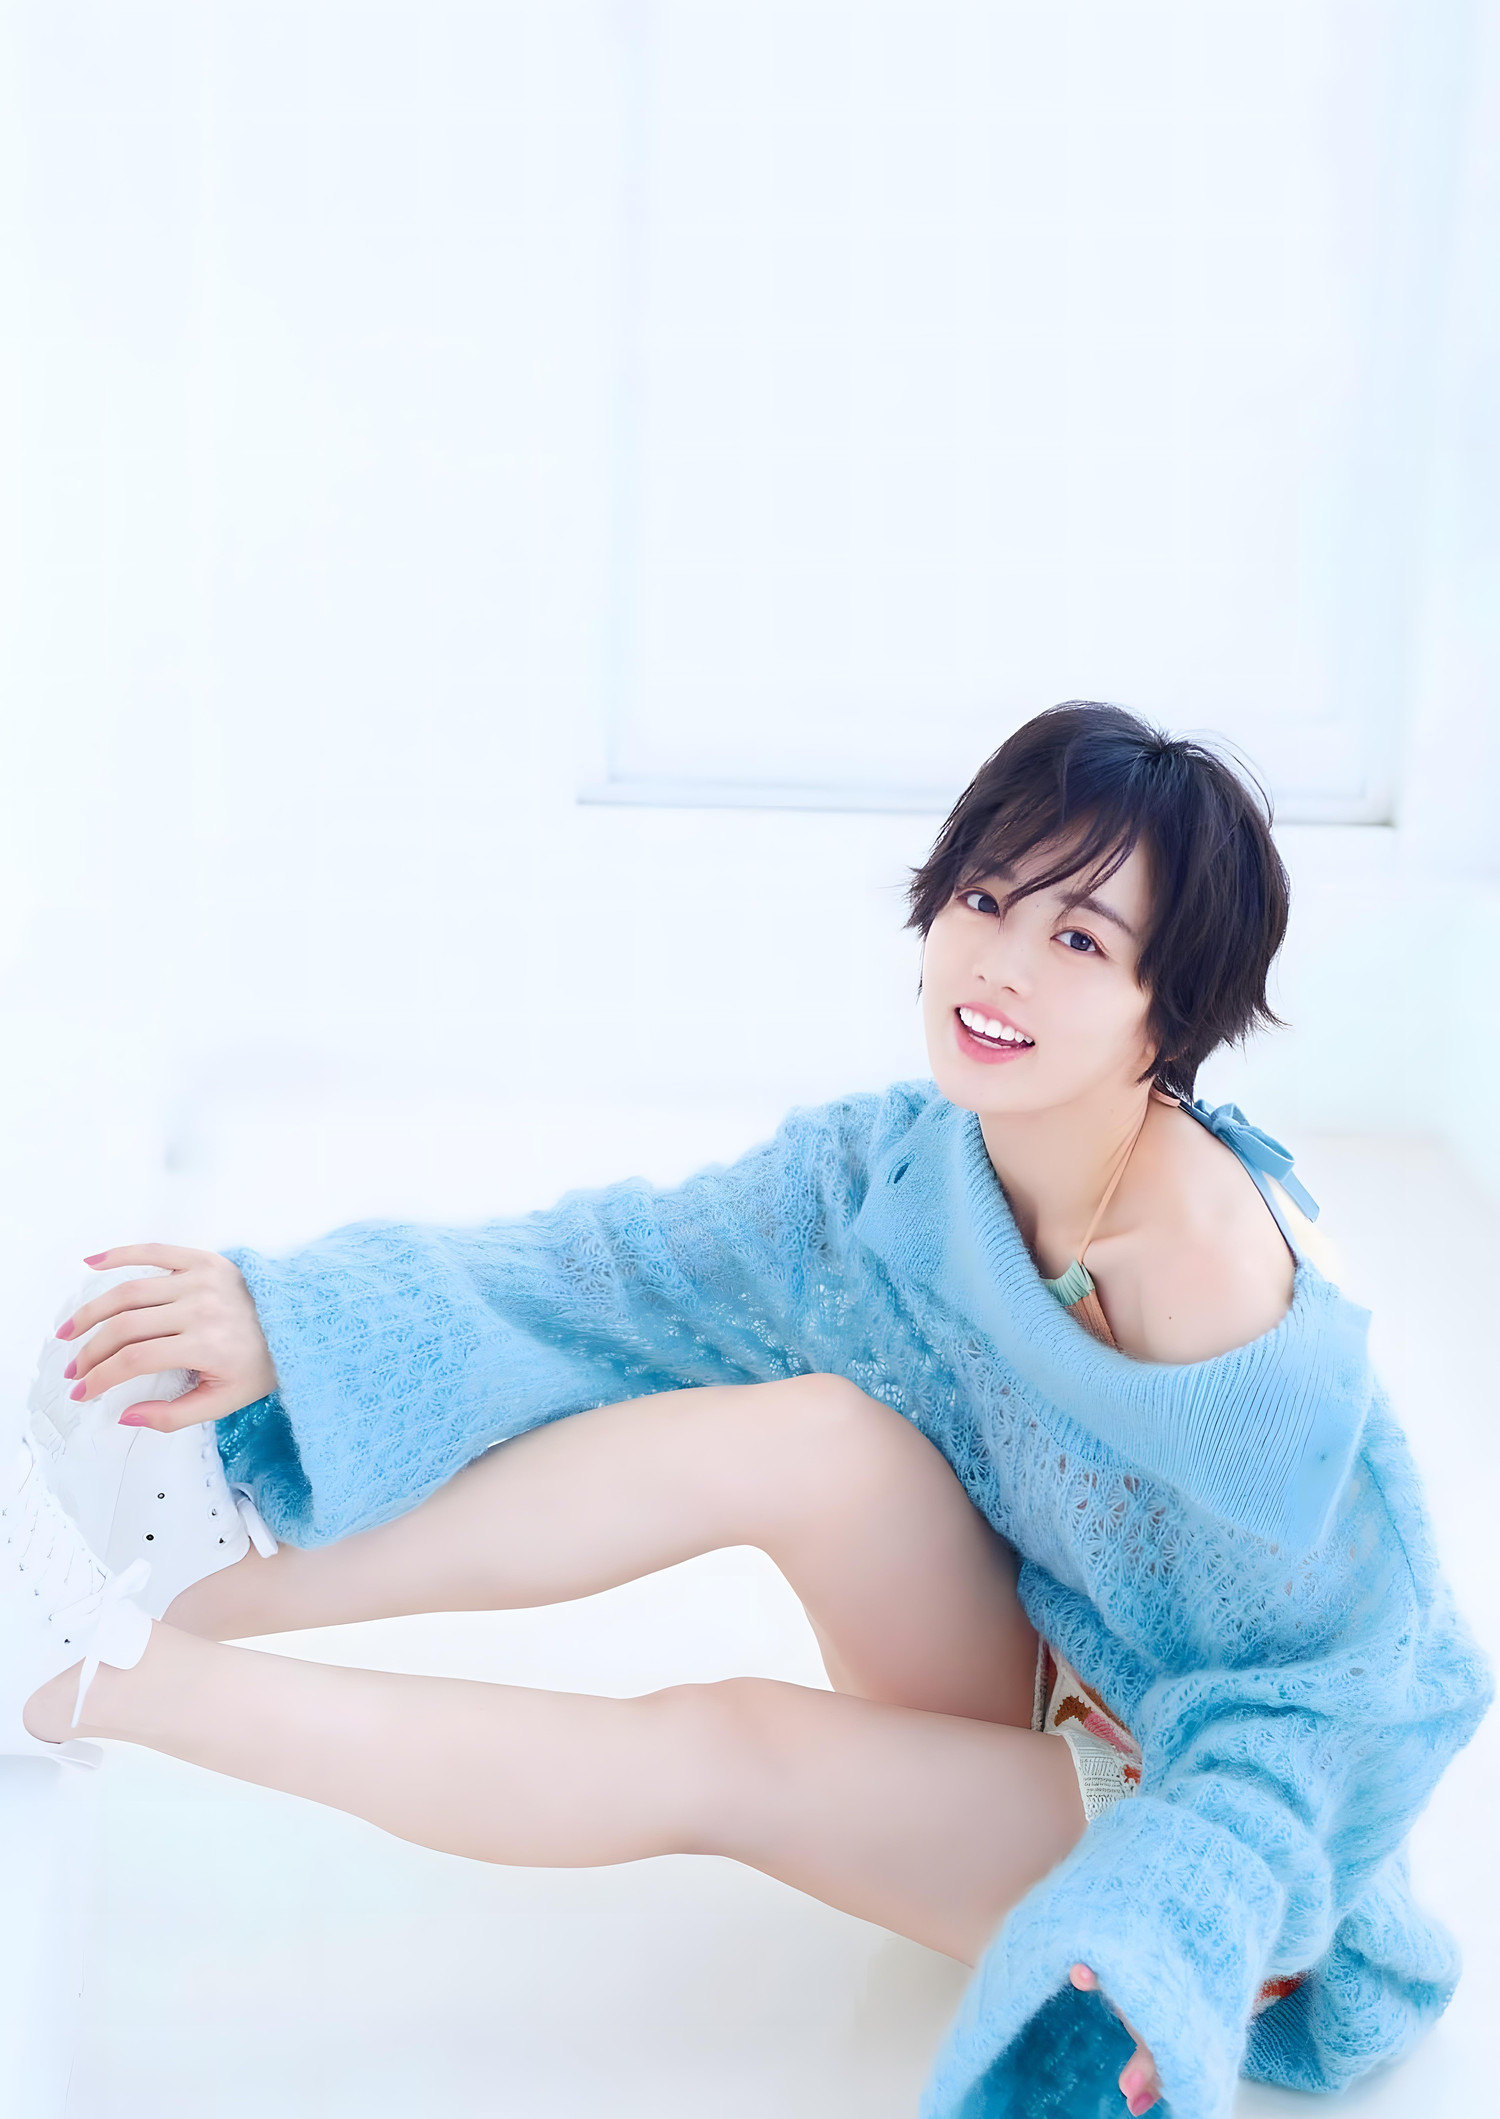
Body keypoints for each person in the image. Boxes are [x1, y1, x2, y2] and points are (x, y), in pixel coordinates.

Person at [3, 703, 1489, 2119]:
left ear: (1171, 1008)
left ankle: (84, 1681)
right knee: (813, 1434)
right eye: (985, 899)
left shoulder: (1210, 1278)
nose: (1002, 966)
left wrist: (1171, 1936)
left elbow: (1343, 1700)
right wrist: (292, 1318)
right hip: (1048, 1678)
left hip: (1208, 1857)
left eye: (1081, 938)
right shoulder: (920, 1167)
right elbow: (621, 1273)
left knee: (731, 1744)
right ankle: (181, 1580)